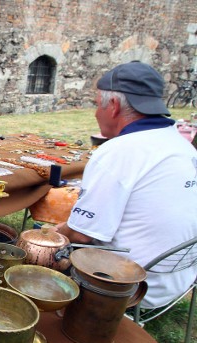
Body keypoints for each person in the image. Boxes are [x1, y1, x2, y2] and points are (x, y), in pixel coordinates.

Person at [56, 61, 197, 309]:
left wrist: (49, 233)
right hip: (178, 280)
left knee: (38, 248)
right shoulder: (182, 145)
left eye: (96, 104)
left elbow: (81, 234)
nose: (95, 112)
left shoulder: (119, 151)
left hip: (128, 287)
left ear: (112, 106)